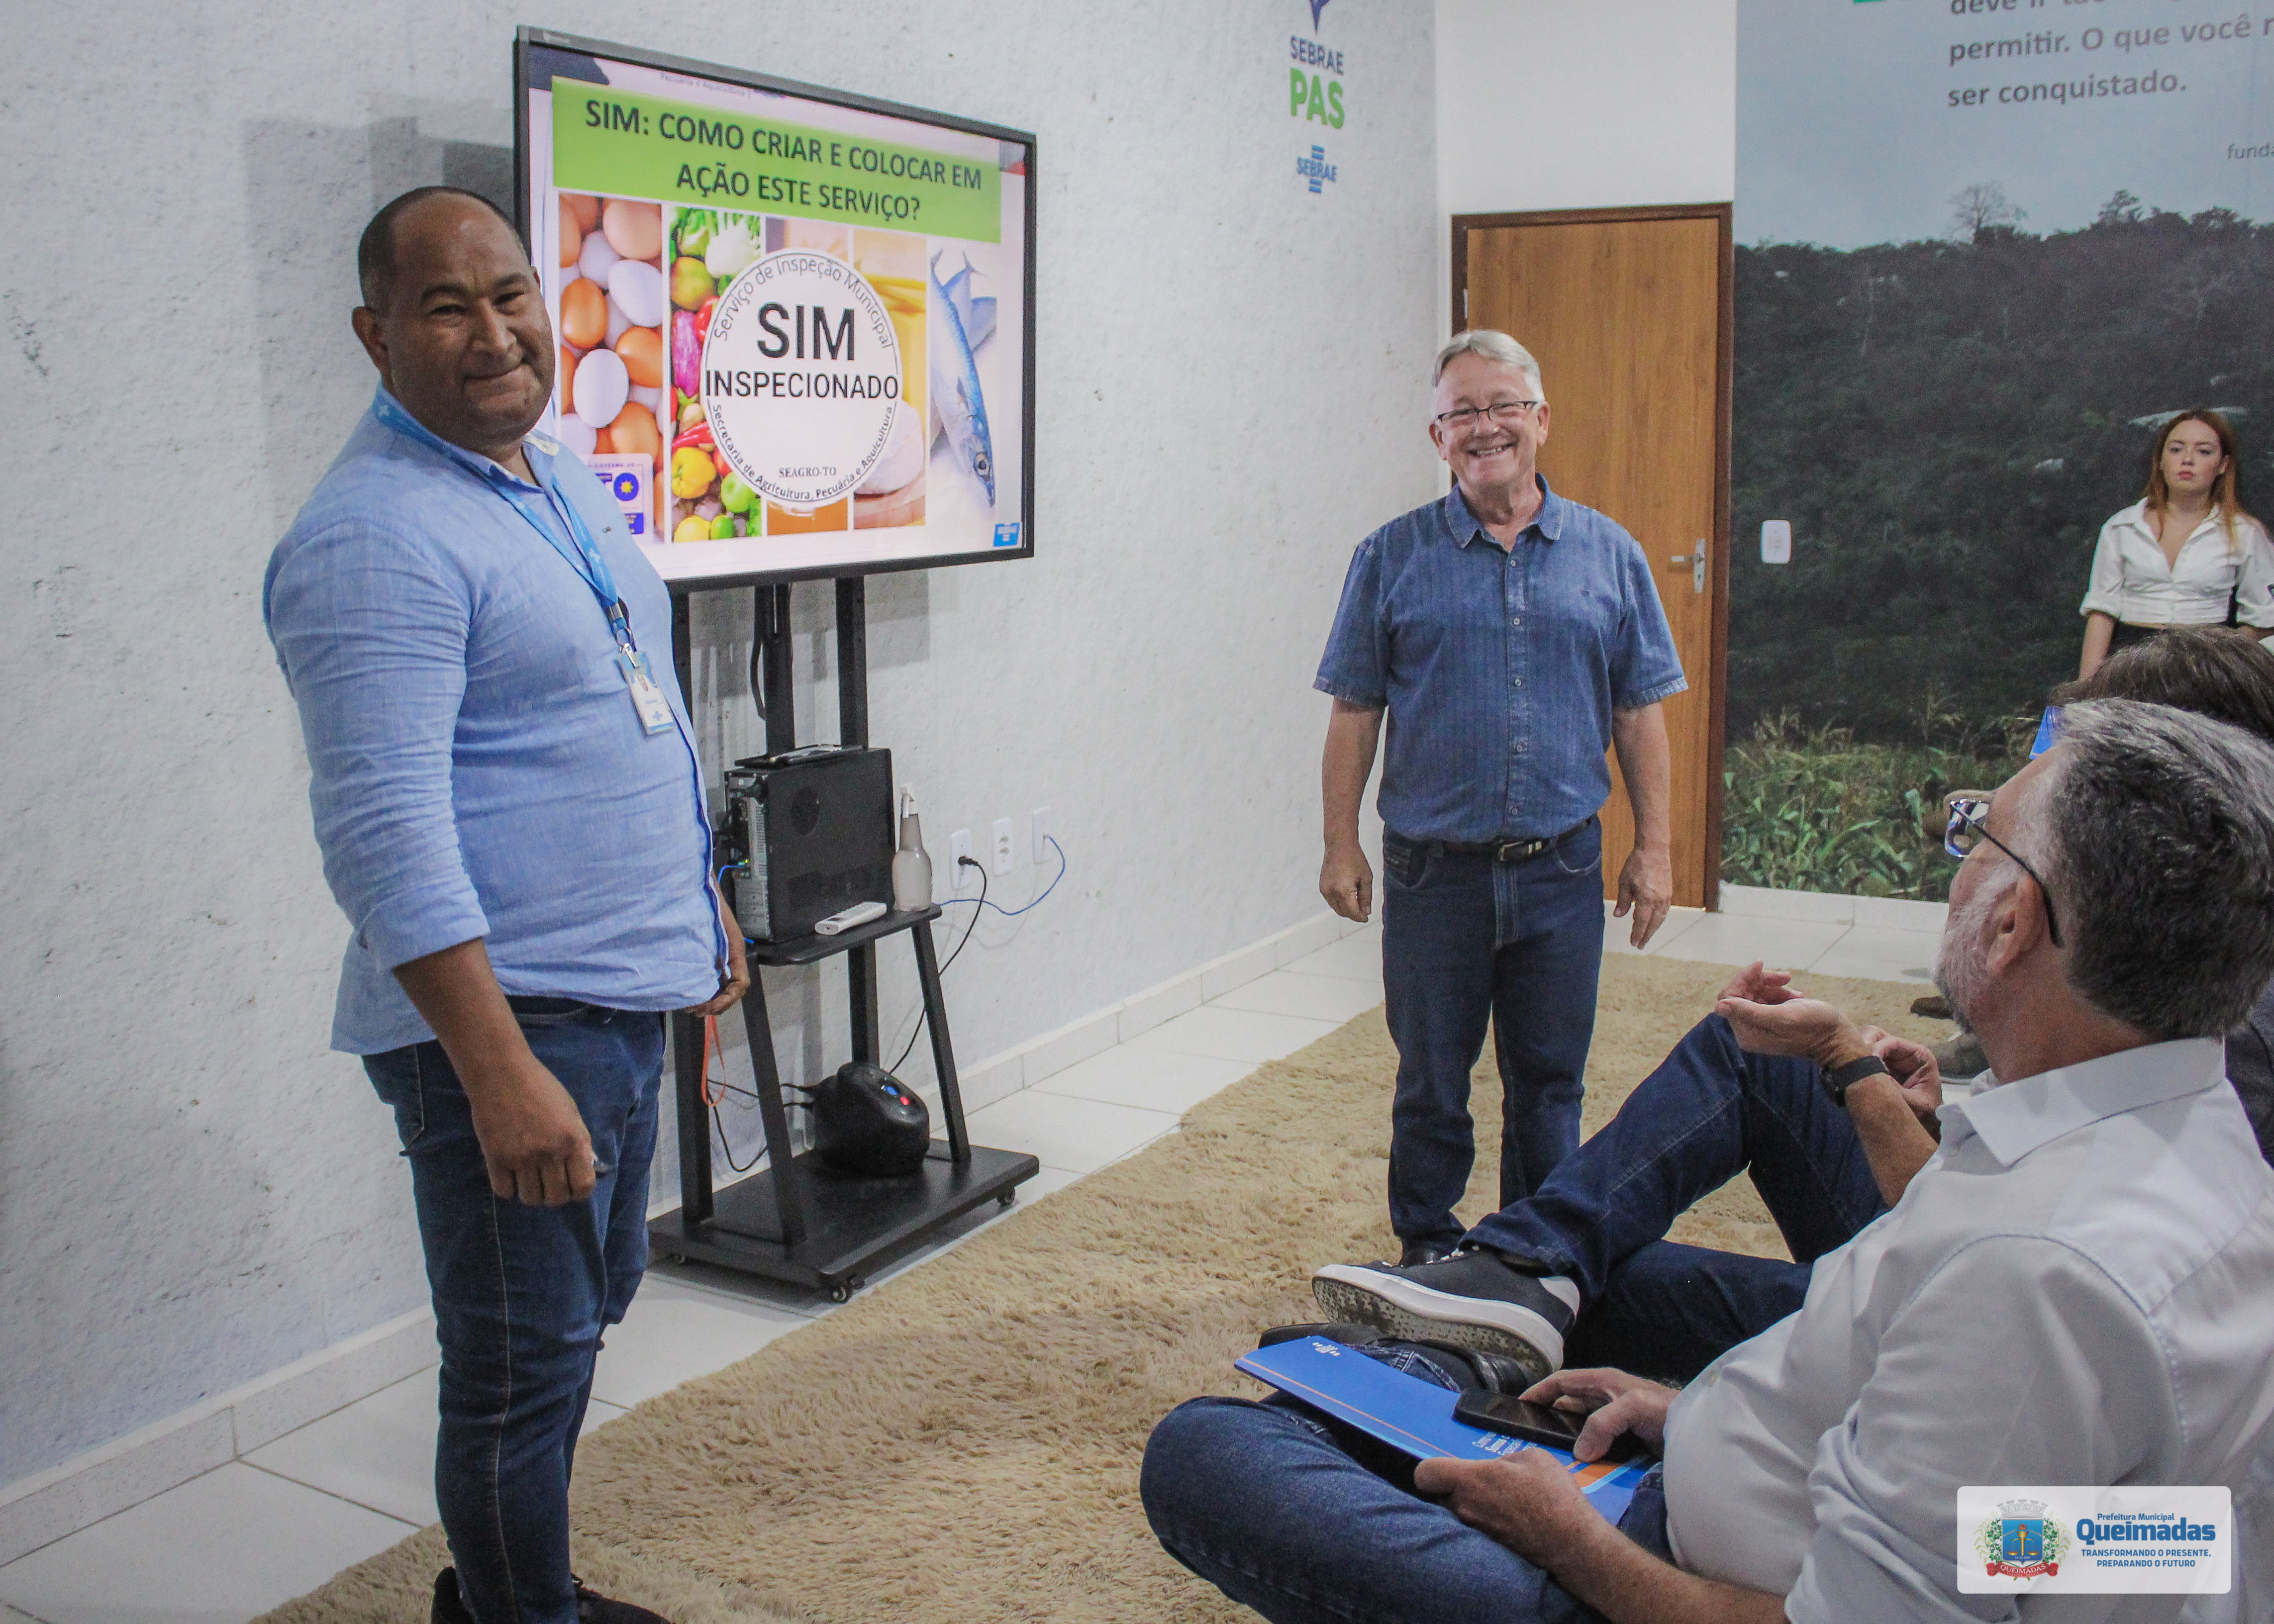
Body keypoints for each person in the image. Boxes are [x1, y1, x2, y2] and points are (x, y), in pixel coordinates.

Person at [1144, 699, 2274, 1624]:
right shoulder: (2196, 1136)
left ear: (2014, 921)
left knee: (1209, 1450)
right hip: (1745, 1490)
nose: (1958, 860)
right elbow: (2128, 1535)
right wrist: (1699, 1415)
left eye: (1975, 835)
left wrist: (1569, 1538)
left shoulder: (2033, 1274)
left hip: (1650, 1579)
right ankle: (1465, 1345)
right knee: (1602, 1283)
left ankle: (1427, 1385)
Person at [1310, 625, 2274, 1392]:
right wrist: (1905, 1097)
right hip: (1952, 1269)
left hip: (1931, 1312)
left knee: (1596, 1283)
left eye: (1993, 836)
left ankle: (1494, 1303)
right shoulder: (2174, 1025)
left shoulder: (2200, 1083)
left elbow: (1973, 1266)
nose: (1968, 871)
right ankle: (1518, 1271)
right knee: (1691, 1130)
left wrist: (1854, 1075)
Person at [264, 187, 747, 1624]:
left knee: (582, 1318)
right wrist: (497, 1073)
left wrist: (698, 901)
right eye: (445, 307)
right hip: (512, 1027)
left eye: (511, 294)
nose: (495, 334)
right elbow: (383, 836)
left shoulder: (549, 475)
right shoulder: (372, 536)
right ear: (375, 336)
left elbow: (620, 710)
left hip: (613, 998)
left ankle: (503, 1594)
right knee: (515, 1375)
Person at [1315, 330, 1686, 1265]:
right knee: (1431, 1082)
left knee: (1550, 1086)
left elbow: (1638, 711)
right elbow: (1354, 711)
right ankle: (1427, 1249)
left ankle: (1531, 1255)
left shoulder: (1610, 553)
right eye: (1462, 413)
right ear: (1437, 437)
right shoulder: (1388, 556)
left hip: (1560, 870)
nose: (1485, 428)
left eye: (1503, 406)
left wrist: (1654, 848)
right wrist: (1338, 843)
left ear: (1540, 420)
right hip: (1433, 874)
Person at [2078, 407, 2274, 679]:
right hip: (2130, 665)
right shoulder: (2121, 527)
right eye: (2176, 449)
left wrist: (2219, 660)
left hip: (2206, 670)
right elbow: (2102, 613)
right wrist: (2087, 689)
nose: (2188, 460)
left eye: (2203, 451)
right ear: (2160, 460)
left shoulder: (2245, 533)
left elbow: (2264, 617)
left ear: (2223, 465)